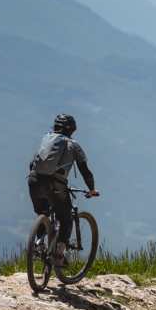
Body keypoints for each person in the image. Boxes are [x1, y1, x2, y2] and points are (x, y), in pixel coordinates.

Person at [27, 114, 99, 266]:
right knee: (66, 219)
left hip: (33, 181)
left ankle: (38, 242)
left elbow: (32, 164)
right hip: (55, 185)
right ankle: (58, 255)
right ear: (72, 130)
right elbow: (85, 171)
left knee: (43, 212)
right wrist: (92, 189)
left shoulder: (46, 139)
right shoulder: (73, 145)